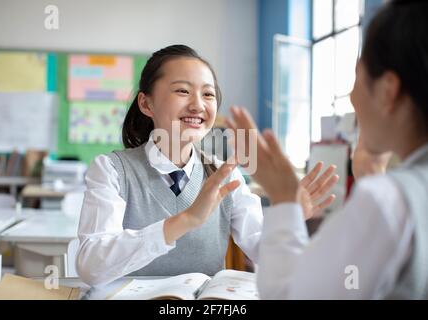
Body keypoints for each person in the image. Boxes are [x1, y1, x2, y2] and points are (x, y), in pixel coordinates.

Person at [76, 45, 337, 287]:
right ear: (146, 103)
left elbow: (263, 251)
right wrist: (185, 220)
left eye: (208, 94)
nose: (198, 105)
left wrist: (288, 219)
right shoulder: (112, 170)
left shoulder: (226, 174)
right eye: (182, 91)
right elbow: (90, 265)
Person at [227, 0, 428, 299]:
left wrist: (284, 199)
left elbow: (291, 293)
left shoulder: (386, 199)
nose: (350, 97)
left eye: (357, 76)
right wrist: (371, 175)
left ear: (388, 90)